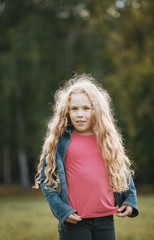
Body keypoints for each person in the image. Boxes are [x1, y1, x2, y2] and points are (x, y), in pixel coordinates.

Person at [34, 73, 139, 240]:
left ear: (95, 109)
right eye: (74, 109)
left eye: (86, 108)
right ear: (66, 111)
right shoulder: (59, 141)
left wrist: (130, 199)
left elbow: (122, 170)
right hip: (74, 221)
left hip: (106, 220)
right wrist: (62, 211)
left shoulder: (107, 140)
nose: (80, 114)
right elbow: (47, 182)